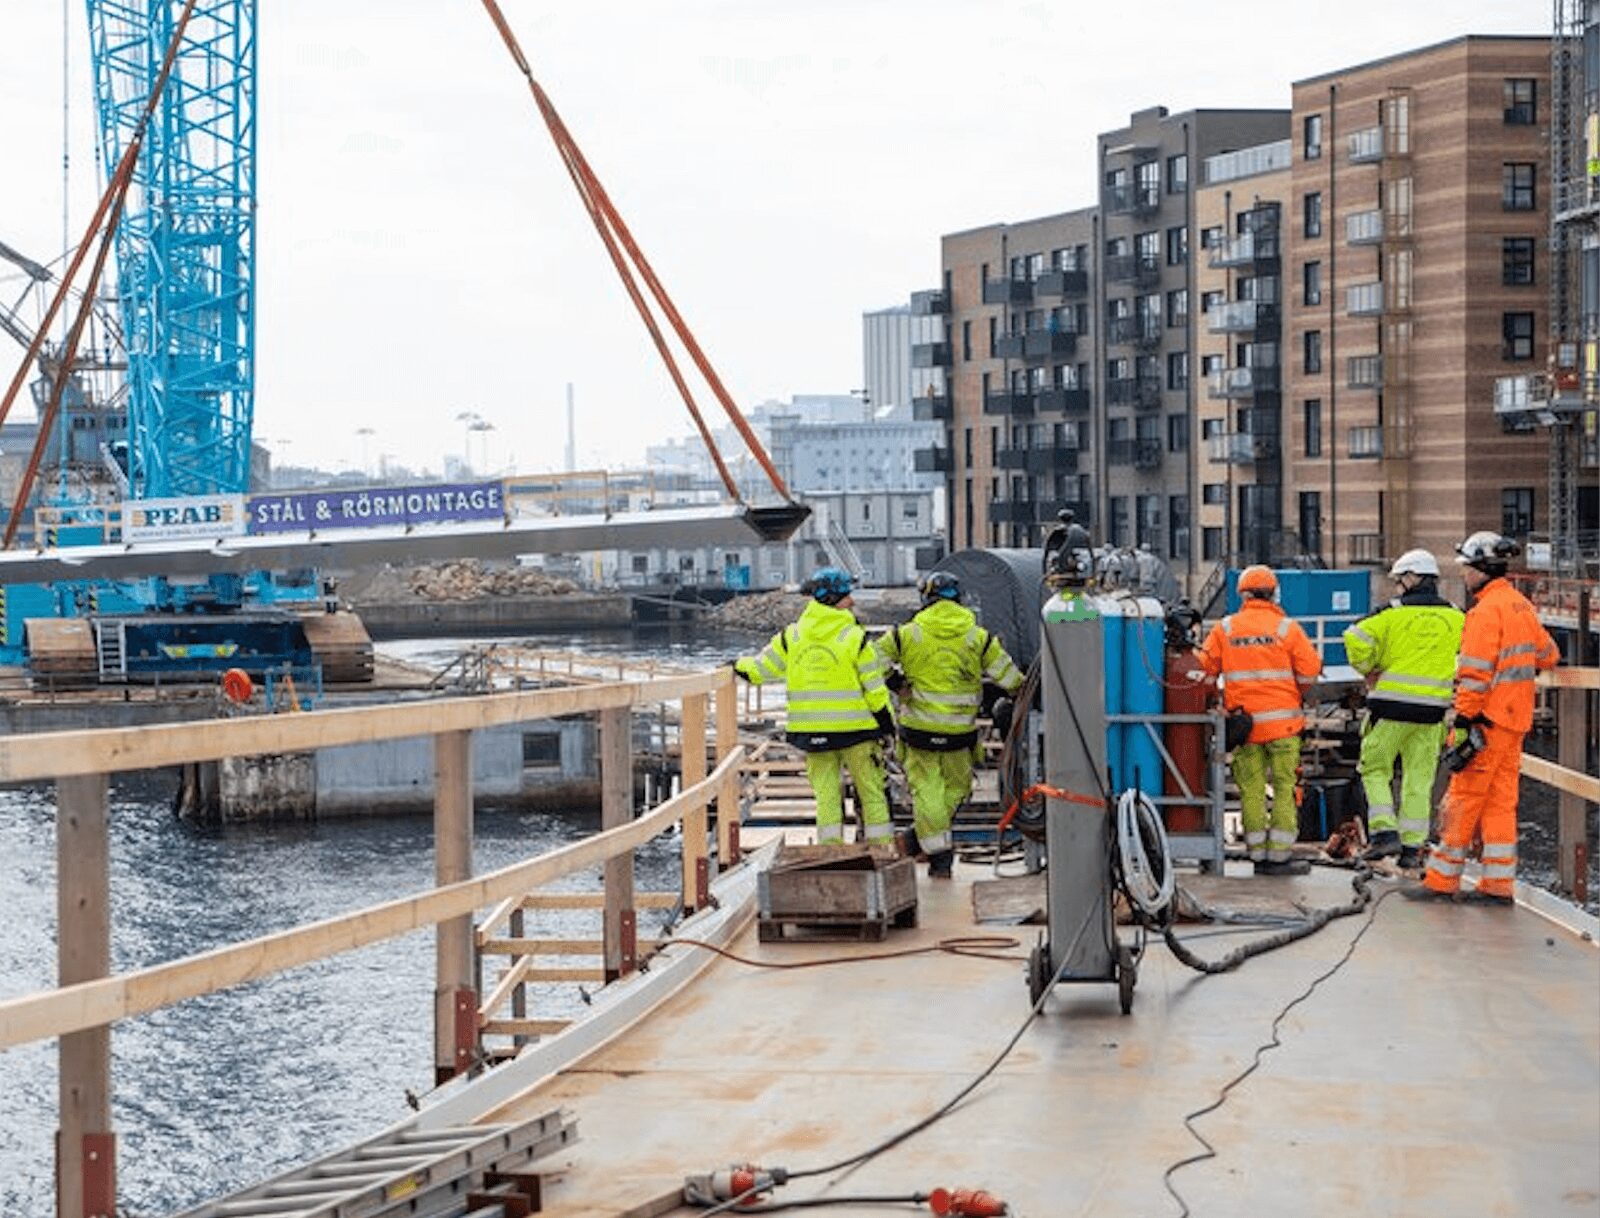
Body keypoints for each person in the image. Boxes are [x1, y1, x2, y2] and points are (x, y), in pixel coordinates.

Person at [1407, 532, 1560, 905]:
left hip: (1486, 724)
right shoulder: (1521, 606)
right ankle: (1497, 885)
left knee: (1463, 797)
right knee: (1501, 802)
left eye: (1466, 569)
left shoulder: (1483, 613)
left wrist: (1463, 719)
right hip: (1515, 721)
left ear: (1481, 570)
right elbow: (1549, 654)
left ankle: (1441, 882)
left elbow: (1474, 675)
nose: (1463, 575)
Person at [733, 568, 896, 847]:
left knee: (827, 797)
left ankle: (831, 854)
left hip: (811, 733)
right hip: (857, 732)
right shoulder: (855, 638)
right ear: (833, 599)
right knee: (872, 794)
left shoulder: (792, 637)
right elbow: (875, 690)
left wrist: (736, 666)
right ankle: (882, 852)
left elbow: (759, 670)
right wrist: (887, 726)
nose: (852, 602)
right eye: (847, 597)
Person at [877, 572, 1023, 878]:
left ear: (927, 598)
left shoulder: (906, 634)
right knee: (956, 790)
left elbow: (870, 662)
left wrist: (896, 682)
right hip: (960, 734)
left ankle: (935, 853)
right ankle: (929, 846)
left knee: (927, 793)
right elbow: (1011, 681)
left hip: (919, 732)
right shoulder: (978, 638)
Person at [1343, 549, 1464, 870]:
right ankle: (1412, 848)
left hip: (1390, 708)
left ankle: (1384, 835)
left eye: (1399, 581)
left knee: (1374, 768)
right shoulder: (1456, 616)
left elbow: (1353, 636)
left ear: (1411, 579)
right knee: (1419, 780)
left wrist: (1369, 668)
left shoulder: (1389, 614)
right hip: (1432, 714)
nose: (1397, 587)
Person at [1199, 565, 1323, 875]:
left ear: (1242, 594)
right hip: (1284, 727)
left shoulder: (1225, 629)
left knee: (1251, 790)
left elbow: (1203, 674)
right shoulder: (1287, 628)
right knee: (1284, 787)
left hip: (1244, 728)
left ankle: (1256, 853)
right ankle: (1279, 856)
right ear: (1273, 592)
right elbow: (1309, 671)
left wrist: (1219, 702)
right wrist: (1294, 693)